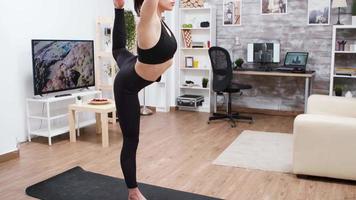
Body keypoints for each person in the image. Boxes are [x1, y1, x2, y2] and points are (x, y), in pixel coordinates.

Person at [112, 0, 177, 199]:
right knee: (131, 140)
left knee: (119, 51)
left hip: (133, 66)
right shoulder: (147, 21)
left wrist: (120, 9)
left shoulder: (160, 19)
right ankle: (133, 192)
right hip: (127, 86)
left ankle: (118, 8)